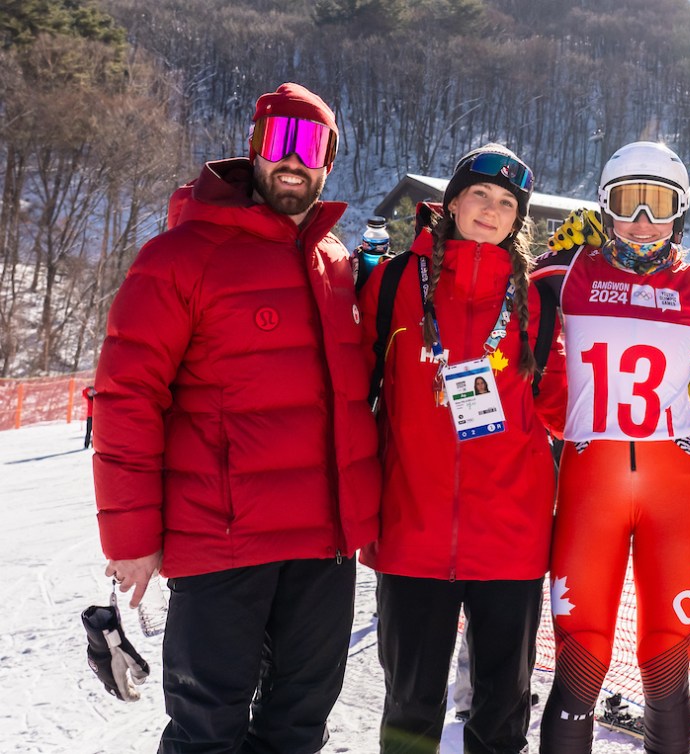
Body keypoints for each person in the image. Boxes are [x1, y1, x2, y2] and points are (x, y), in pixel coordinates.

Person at [90, 82, 382, 752]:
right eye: (278, 140)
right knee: (207, 730)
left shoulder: (334, 264)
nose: (292, 159)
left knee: (299, 724)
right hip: (224, 544)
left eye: (310, 146)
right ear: (253, 148)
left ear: (329, 161)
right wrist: (132, 535)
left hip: (323, 546)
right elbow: (126, 396)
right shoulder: (181, 257)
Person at [359, 143, 566, 754]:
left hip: (512, 536)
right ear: (450, 203)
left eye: (507, 203)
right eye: (479, 194)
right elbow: (356, 387)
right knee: (410, 710)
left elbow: (561, 409)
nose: (491, 210)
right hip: (412, 531)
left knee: (502, 714)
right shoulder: (396, 281)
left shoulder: (537, 302)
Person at [534, 142, 690, 753]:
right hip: (592, 482)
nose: (641, 220)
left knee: (668, 658)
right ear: (603, 208)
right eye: (626, 202)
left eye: (657, 204)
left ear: (679, 212)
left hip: (676, 488)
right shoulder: (569, 272)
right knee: (580, 655)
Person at [82, 384, 96, 449]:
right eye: (90, 392)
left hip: (97, 417)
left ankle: (94, 444)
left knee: (95, 432)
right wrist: (89, 388)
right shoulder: (88, 398)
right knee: (88, 431)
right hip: (90, 416)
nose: (91, 393)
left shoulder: (97, 398)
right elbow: (84, 392)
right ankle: (86, 444)